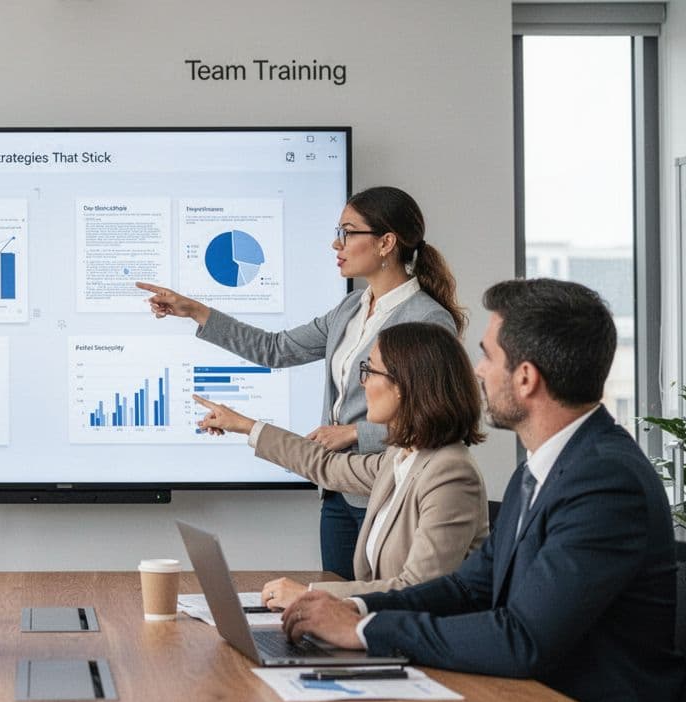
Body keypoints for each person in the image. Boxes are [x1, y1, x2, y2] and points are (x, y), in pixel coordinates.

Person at [284, 278, 686, 702]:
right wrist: (355, 608)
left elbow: (523, 638)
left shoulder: (605, 482)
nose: (476, 370)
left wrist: (364, 631)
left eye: (488, 355)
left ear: (527, 378)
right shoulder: (539, 470)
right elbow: (467, 588)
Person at [137, 187, 467, 579]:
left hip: (386, 487)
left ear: (386, 243)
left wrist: (356, 433)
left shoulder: (427, 319)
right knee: (334, 608)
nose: (336, 243)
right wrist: (195, 311)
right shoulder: (351, 308)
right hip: (336, 490)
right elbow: (275, 349)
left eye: (348, 232)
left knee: (379, 610)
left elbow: (436, 418)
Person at [195, 322, 488, 605]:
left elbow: (420, 589)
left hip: (422, 646)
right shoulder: (401, 458)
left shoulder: (450, 473)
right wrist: (246, 426)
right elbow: (326, 465)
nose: (362, 383)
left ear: (402, 385)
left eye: (369, 370)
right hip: (385, 629)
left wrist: (310, 595)